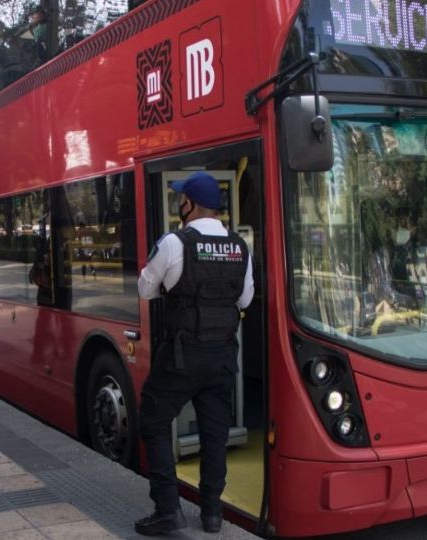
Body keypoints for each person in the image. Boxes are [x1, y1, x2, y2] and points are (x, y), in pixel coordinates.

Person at [135, 172, 253, 535]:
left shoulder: (175, 242)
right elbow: (245, 299)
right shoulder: (239, 246)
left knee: (153, 422)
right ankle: (212, 514)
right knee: (215, 434)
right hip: (221, 358)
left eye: (180, 197)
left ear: (190, 204)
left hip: (183, 356)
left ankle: (168, 510)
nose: (178, 203)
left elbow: (145, 289)